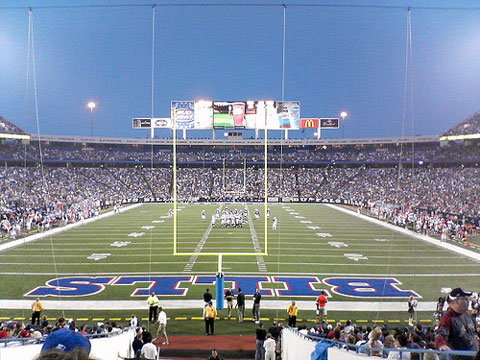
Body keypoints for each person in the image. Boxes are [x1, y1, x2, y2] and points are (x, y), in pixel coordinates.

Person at [435, 288, 479, 359]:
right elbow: (440, 335)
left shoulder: (468, 315)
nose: (467, 301)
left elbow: (474, 335)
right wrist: (442, 345)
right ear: (456, 301)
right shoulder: (448, 318)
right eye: (464, 299)